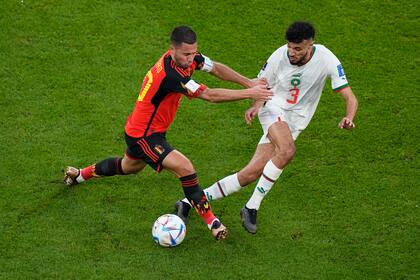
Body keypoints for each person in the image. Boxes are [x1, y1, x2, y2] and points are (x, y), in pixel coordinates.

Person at [63, 25, 273, 240]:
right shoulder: (171, 75)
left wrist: (248, 81)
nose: (191, 59)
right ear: (172, 49)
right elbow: (209, 95)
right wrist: (250, 92)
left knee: (129, 167)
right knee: (185, 167)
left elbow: (216, 68)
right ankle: (213, 222)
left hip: (145, 129)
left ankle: (80, 174)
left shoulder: (186, 58)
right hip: (144, 135)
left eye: (194, 53)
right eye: (186, 54)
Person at [175, 21, 358, 234]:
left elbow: (349, 96)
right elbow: (260, 85)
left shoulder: (327, 59)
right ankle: (251, 206)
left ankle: (187, 202)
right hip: (272, 105)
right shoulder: (279, 56)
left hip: (296, 121)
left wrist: (349, 117)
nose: (292, 52)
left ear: (311, 45)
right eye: (290, 46)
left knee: (250, 174)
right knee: (287, 150)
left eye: (298, 48)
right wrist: (256, 105)